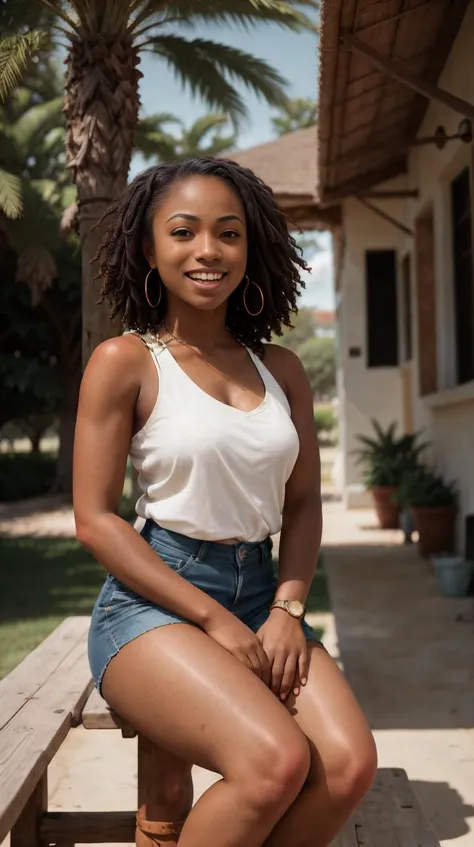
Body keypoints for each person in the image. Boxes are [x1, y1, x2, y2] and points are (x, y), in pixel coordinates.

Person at [73, 157, 377, 847]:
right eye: (184, 232)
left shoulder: (283, 370)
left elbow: (302, 506)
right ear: (150, 249)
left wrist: (286, 609)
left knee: (350, 766)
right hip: (155, 602)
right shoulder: (127, 361)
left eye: (228, 233)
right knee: (275, 764)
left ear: (251, 249)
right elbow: (94, 520)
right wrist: (213, 617)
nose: (208, 250)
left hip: (263, 593)